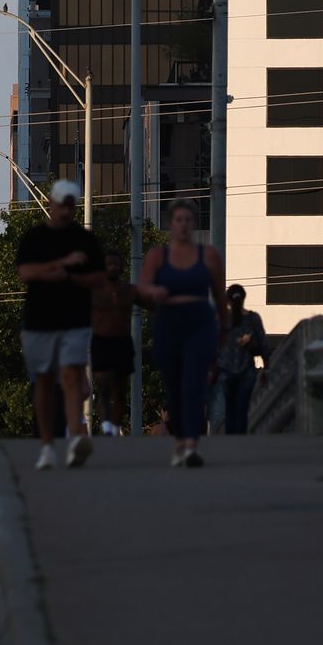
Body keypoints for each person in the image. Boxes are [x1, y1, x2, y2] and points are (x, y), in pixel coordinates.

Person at [14, 180, 104, 469]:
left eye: (70, 205)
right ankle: (46, 444)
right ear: (50, 203)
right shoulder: (34, 238)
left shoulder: (86, 241)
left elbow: (99, 279)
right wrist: (62, 265)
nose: (65, 210)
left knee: (70, 376)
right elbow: (25, 272)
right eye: (60, 204)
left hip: (75, 320)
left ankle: (75, 438)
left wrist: (70, 278)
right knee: (42, 381)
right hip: (39, 321)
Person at [136, 200, 227, 467]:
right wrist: (154, 292)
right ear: (171, 224)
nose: (184, 224)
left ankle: (191, 445)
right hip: (169, 323)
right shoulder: (157, 256)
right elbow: (142, 287)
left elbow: (220, 297)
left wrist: (224, 328)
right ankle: (178, 441)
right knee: (175, 385)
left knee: (194, 383)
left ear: (194, 224)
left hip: (200, 322)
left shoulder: (208, 255)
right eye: (179, 220)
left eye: (188, 219)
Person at [89, 252, 139, 436]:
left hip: (122, 342)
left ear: (121, 267)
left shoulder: (129, 290)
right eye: (108, 264)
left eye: (116, 264)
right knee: (103, 388)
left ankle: (116, 427)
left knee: (120, 391)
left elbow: (152, 301)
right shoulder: (94, 290)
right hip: (101, 342)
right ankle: (107, 428)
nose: (112, 267)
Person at [216, 283, 266, 435]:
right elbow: (263, 344)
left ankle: (231, 442)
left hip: (225, 370)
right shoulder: (252, 318)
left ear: (227, 301)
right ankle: (240, 440)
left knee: (229, 409)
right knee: (242, 408)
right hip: (246, 370)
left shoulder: (221, 320)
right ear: (244, 298)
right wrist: (267, 367)